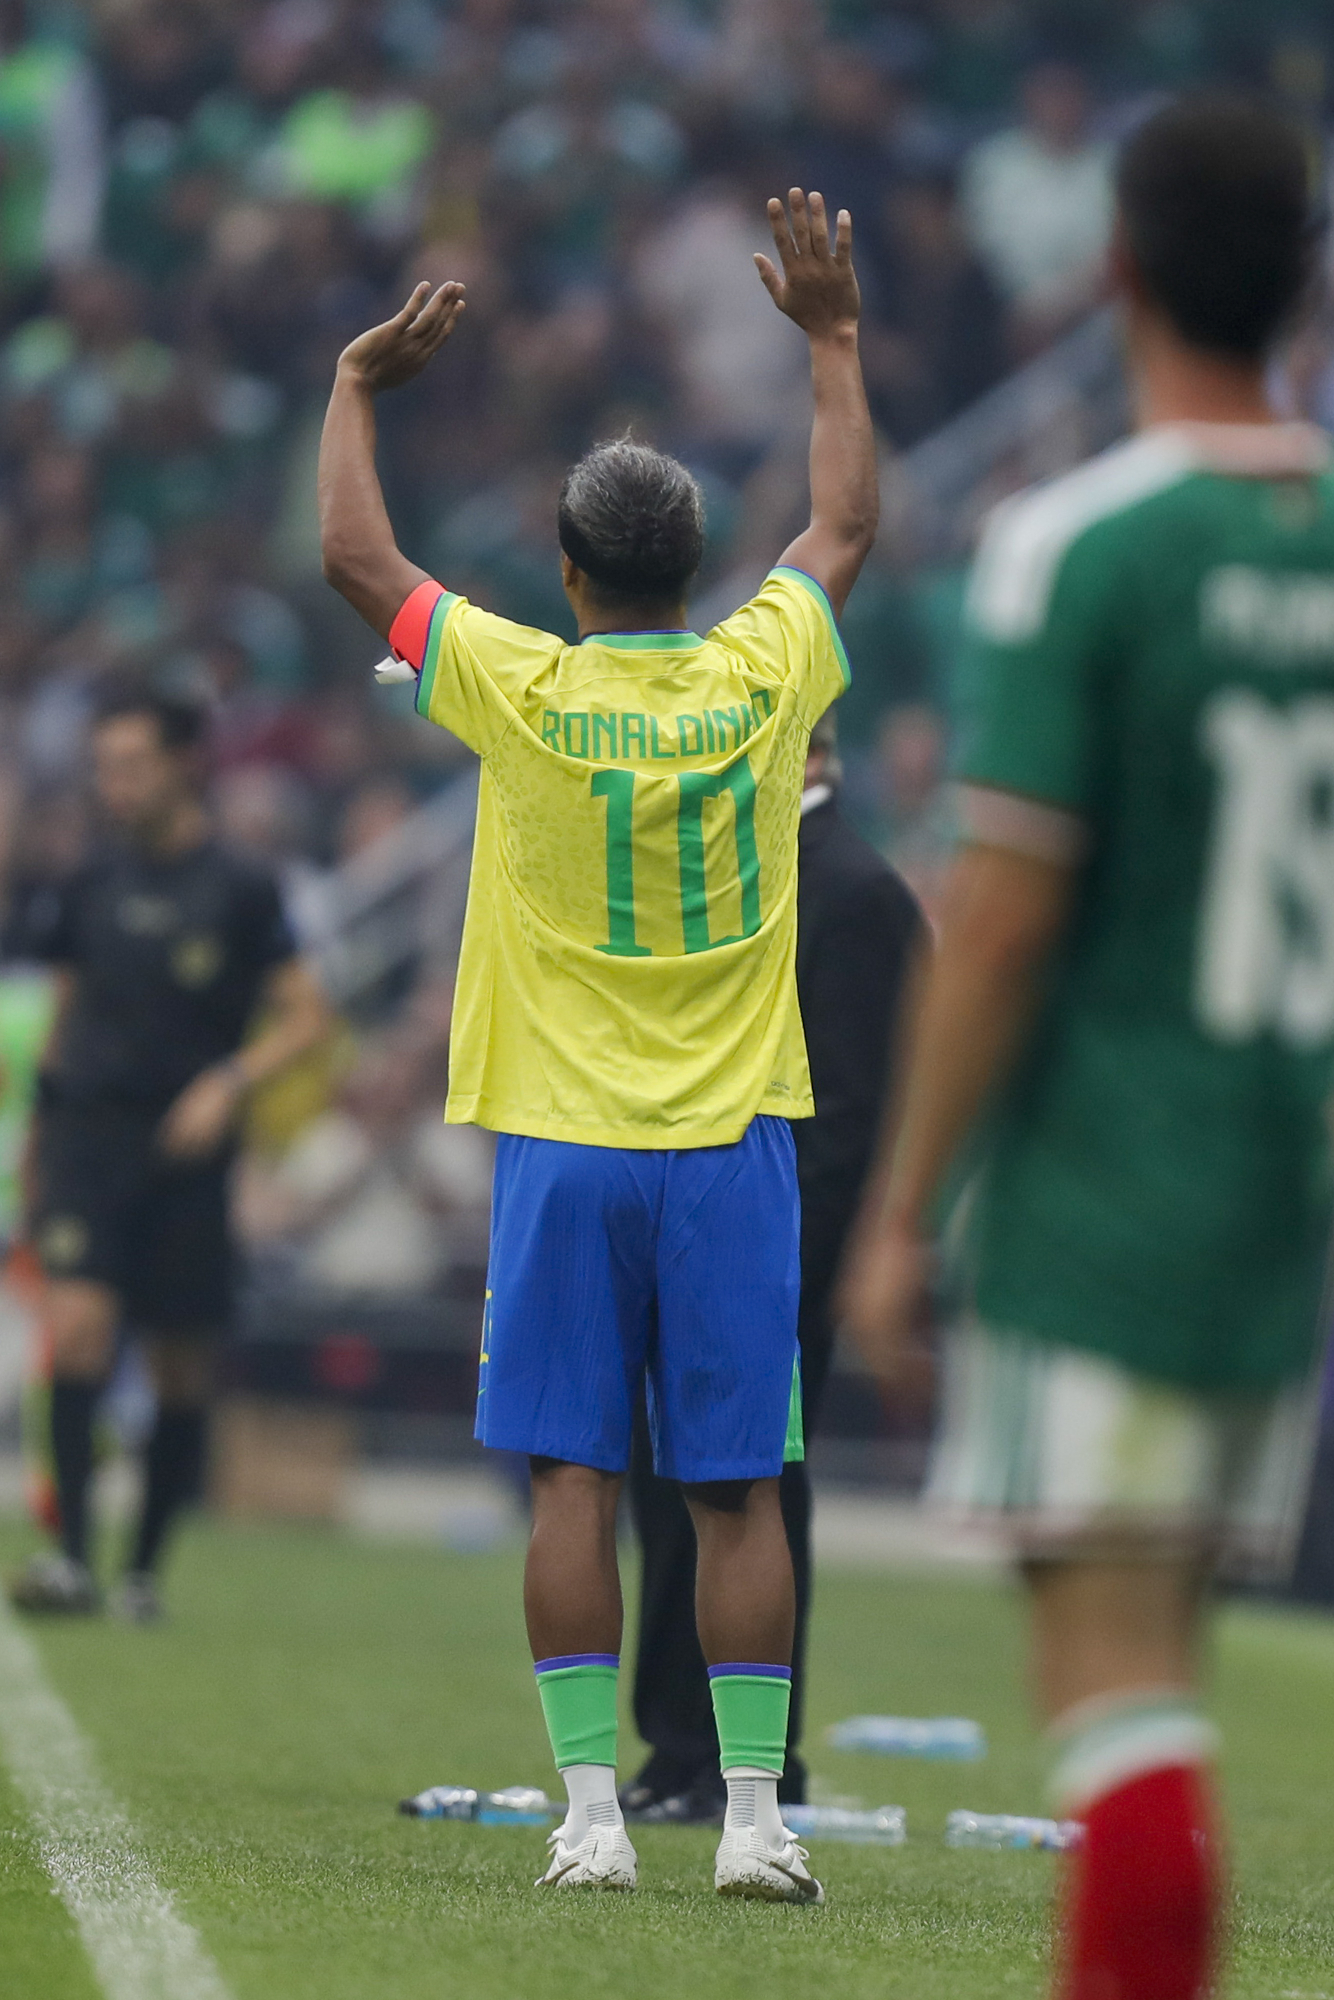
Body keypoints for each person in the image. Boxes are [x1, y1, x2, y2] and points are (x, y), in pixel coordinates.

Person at [318, 187, 877, 1900]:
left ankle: (583, 1825)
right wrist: (833, 338)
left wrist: (355, 390)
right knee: (734, 1496)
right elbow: (840, 527)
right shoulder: (765, 671)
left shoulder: (518, 687)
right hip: (729, 1145)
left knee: (572, 1476)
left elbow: (358, 561)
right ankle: (755, 1825)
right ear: (695, 568)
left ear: (566, 576)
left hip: (562, 1142)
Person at [841, 96, 1334, 2000]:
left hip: (1100, 1181)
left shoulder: (1075, 545)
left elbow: (1009, 908)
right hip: (1275, 1185)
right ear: (1302, 282)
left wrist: (904, 1206)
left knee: (1115, 1697)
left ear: (1108, 273)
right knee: (1169, 1682)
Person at [623, 709, 923, 1821]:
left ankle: (738, 1756)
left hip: (768, 1238)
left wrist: (785, 1257)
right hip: (715, 1218)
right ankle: (679, 1747)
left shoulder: (845, 887)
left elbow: (848, 1108)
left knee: (737, 1485)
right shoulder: (772, 870)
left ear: (802, 749)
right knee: (676, 1480)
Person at [5, 686, 331, 1622]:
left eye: (134, 766)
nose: (116, 785)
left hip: (188, 1149)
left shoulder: (240, 885)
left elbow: (307, 1017)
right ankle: (71, 1557)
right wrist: (40, 1139)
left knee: (182, 1365)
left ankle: (143, 1571)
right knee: (75, 1333)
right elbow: (65, 1019)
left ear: (187, 764)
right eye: (107, 767)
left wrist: (227, 1082)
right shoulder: (85, 883)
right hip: (88, 1141)